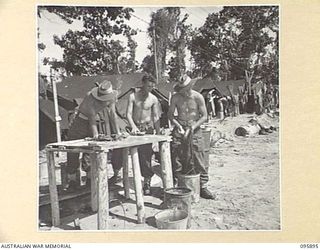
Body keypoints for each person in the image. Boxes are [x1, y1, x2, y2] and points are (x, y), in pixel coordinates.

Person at [66, 80, 122, 190]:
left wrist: (117, 133)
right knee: (73, 149)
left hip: (94, 122)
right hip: (80, 122)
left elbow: (112, 114)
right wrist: (96, 135)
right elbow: (91, 118)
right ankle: (72, 180)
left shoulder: (112, 97)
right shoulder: (90, 96)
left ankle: (90, 179)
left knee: (91, 152)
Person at [168, 75, 216, 200]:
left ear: (191, 86)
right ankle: (178, 185)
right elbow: (171, 115)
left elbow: (204, 116)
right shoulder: (176, 98)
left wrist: (193, 127)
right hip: (180, 128)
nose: (185, 91)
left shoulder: (198, 97)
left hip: (195, 129)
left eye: (187, 88)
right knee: (177, 156)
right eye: (182, 89)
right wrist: (179, 127)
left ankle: (203, 186)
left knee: (199, 156)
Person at [126, 74, 160, 195]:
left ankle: (147, 182)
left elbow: (155, 117)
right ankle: (120, 177)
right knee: (129, 154)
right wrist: (133, 126)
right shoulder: (132, 97)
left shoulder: (153, 99)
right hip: (135, 129)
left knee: (146, 156)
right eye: (149, 86)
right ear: (143, 84)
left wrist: (158, 134)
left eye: (152, 86)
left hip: (147, 129)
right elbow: (128, 114)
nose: (151, 88)